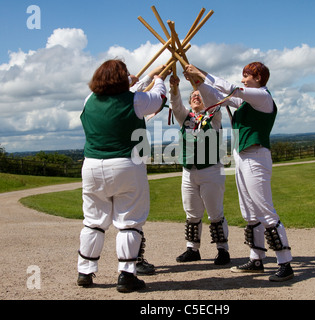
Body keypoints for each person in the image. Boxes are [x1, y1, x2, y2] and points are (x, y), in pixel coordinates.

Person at [184, 62, 294, 281]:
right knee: (250, 212)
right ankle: (256, 259)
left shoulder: (262, 96)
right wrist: (197, 81)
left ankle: (285, 262)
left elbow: (231, 89)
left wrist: (201, 73)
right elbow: (215, 97)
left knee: (264, 210)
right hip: (242, 157)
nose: (244, 79)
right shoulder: (246, 101)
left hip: (256, 156)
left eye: (248, 75)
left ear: (259, 78)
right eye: (243, 75)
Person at [77, 60, 168, 292]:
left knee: (93, 222)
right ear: (121, 79)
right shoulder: (134, 101)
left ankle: (85, 271)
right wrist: (159, 79)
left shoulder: (89, 100)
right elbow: (158, 99)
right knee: (129, 222)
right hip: (126, 164)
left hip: (91, 167)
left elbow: (128, 88)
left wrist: (145, 76)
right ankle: (127, 275)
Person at [169, 75, 230, 265]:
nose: (196, 97)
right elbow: (175, 104)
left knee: (215, 213)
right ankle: (192, 249)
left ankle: (222, 250)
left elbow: (213, 102)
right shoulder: (185, 118)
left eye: (199, 95)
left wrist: (199, 84)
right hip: (188, 172)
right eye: (193, 95)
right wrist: (174, 87)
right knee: (192, 213)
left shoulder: (214, 117)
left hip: (211, 170)